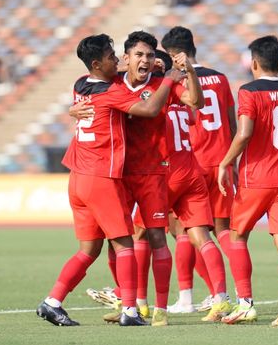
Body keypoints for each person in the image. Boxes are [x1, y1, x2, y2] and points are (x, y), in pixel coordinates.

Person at [37, 34, 185, 327]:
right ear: (96, 63)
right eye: (110, 56)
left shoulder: (81, 84)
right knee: (125, 243)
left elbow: (99, 87)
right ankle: (130, 311)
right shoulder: (111, 93)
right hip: (100, 176)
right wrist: (167, 78)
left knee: (89, 249)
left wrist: (70, 109)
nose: (116, 60)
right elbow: (150, 109)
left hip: (77, 176)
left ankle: (52, 302)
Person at [79, 31, 204, 327]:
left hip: (153, 174)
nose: (145, 60)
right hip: (119, 174)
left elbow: (195, 102)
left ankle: (160, 308)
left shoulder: (163, 83)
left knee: (157, 237)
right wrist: (73, 109)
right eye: (139, 55)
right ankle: (130, 305)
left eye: (149, 55)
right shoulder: (113, 82)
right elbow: (85, 91)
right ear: (126, 59)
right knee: (116, 241)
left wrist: (189, 71)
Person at [132, 49, 231, 322]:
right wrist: (191, 72)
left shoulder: (151, 94)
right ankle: (221, 298)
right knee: (201, 236)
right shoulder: (177, 91)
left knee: (140, 234)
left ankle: (139, 303)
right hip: (192, 170)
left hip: (165, 173)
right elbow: (196, 106)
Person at [216, 36, 278, 326]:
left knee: (238, 236)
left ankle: (245, 304)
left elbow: (243, 133)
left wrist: (226, 161)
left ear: (254, 63)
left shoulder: (249, 91)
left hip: (256, 177)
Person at [161, 26, 237, 313]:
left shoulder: (178, 80)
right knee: (223, 230)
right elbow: (231, 123)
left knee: (182, 230)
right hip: (221, 162)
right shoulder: (220, 78)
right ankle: (237, 294)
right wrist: (233, 163)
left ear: (173, 54)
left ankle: (186, 298)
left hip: (190, 163)